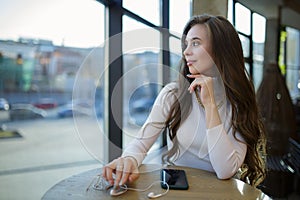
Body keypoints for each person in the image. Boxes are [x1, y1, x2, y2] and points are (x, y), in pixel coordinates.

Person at [102, 14, 266, 188]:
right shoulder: (173, 94)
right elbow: (141, 142)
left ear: (220, 49)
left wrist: (210, 105)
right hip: (177, 190)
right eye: (186, 44)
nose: (186, 51)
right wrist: (128, 160)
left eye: (195, 43)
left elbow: (226, 170)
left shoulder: (239, 103)